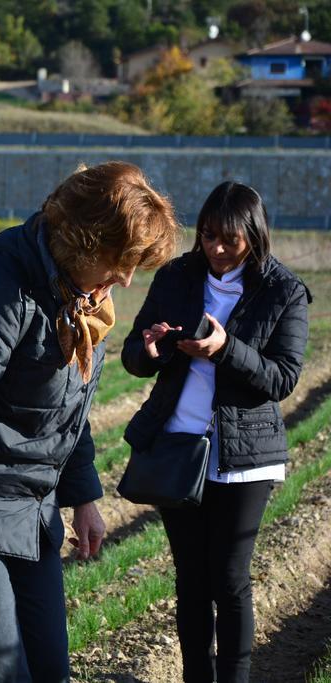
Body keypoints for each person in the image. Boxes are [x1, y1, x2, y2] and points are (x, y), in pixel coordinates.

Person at [0, 161, 181, 682]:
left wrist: (83, 497)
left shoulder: (82, 302)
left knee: (49, 670)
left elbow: (70, 412)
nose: (126, 279)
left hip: (32, 510)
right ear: (82, 242)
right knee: (0, 668)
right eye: (119, 261)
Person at [121, 181, 310, 682]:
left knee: (228, 580)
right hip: (178, 448)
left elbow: (283, 378)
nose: (217, 249)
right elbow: (133, 354)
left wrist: (226, 350)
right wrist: (151, 349)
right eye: (208, 237)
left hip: (244, 458)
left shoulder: (283, 290)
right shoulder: (176, 277)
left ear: (254, 235)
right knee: (191, 581)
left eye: (229, 239)